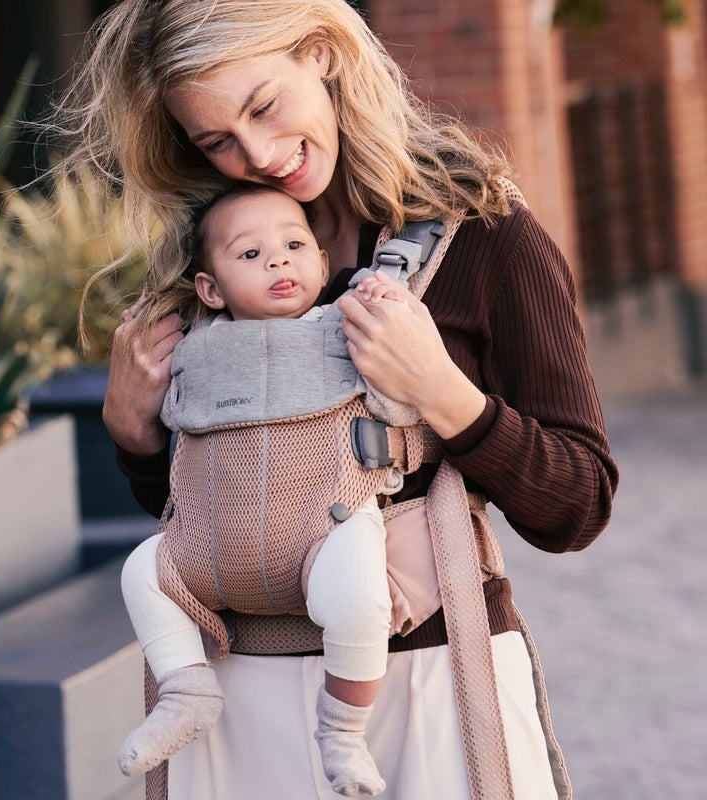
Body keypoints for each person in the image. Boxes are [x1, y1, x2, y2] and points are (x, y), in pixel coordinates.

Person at [52, 1, 619, 797]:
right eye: (216, 140)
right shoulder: (212, 263)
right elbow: (198, 514)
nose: (257, 154)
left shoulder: (486, 236)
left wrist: (444, 396)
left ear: (320, 52)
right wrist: (133, 434)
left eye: (263, 106)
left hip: (431, 685)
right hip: (240, 700)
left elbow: (579, 505)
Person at [119, 183, 412, 796]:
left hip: (320, 532)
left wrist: (397, 315)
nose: (277, 259)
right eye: (248, 255)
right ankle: (185, 688)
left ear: (323, 263)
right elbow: (171, 427)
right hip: (205, 549)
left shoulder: (348, 325)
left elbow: (400, 404)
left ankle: (343, 730)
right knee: (142, 569)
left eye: (293, 244)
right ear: (210, 289)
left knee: (361, 595)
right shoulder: (193, 349)